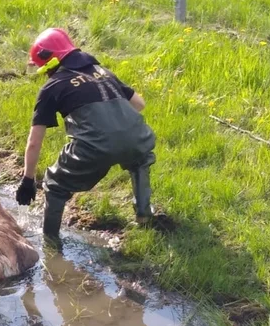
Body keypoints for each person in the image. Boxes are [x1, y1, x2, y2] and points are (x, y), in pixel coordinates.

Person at [16, 28, 170, 241]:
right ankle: (144, 215)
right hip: (138, 138)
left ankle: (50, 243)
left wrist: (28, 179)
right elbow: (139, 104)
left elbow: (34, 142)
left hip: (94, 147)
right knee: (140, 161)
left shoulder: (52, 87)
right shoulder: (102, 72)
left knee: (54, 184)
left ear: (50, 63)